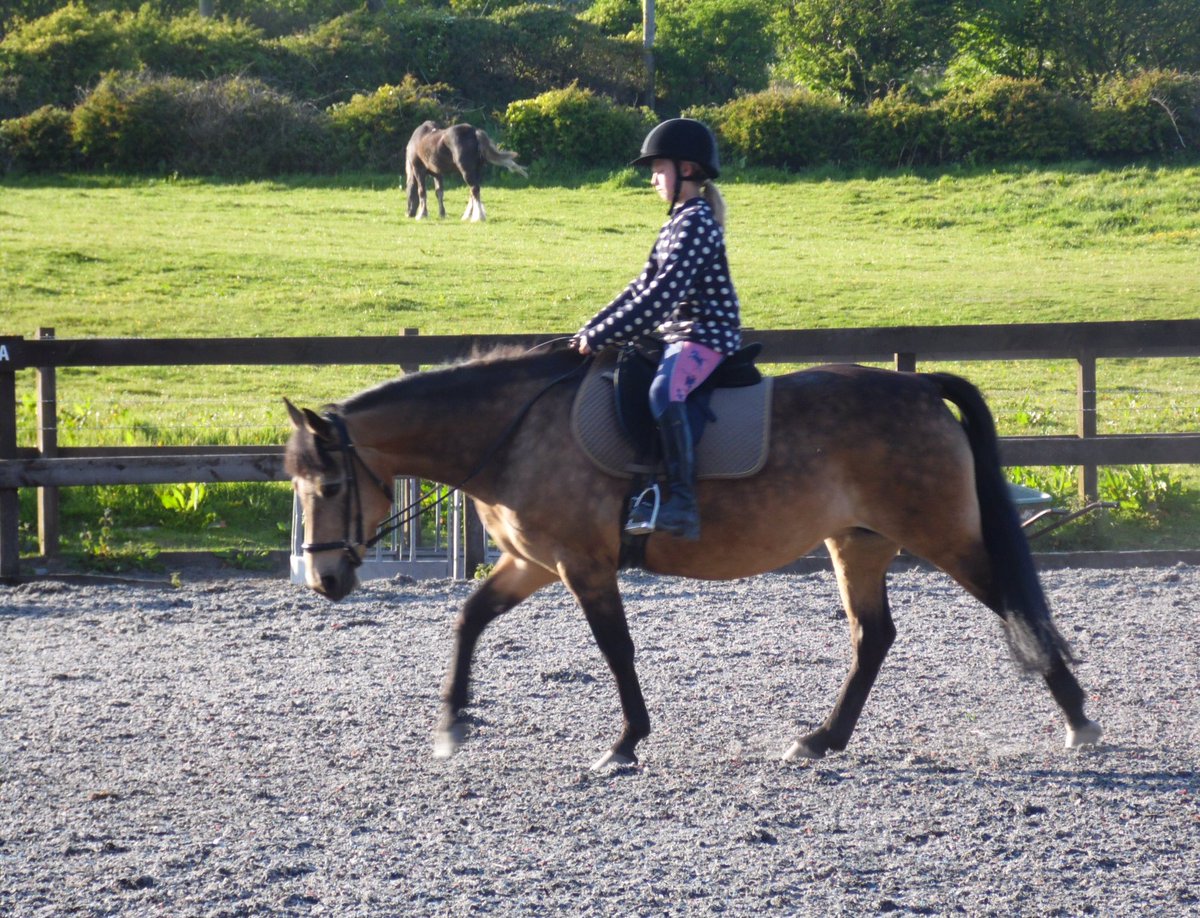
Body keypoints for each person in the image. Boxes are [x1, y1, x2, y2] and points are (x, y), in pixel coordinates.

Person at [569, 118, 741, 541]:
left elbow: (660, 298)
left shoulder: (697, 221)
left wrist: (604, 335)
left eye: (658, 169)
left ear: (685, 170)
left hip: (705, 334)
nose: (652, 180)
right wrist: (592, 328)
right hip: (675, 334)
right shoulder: (676, 222)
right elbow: (639, 287)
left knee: (664, 390)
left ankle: (682, 503)